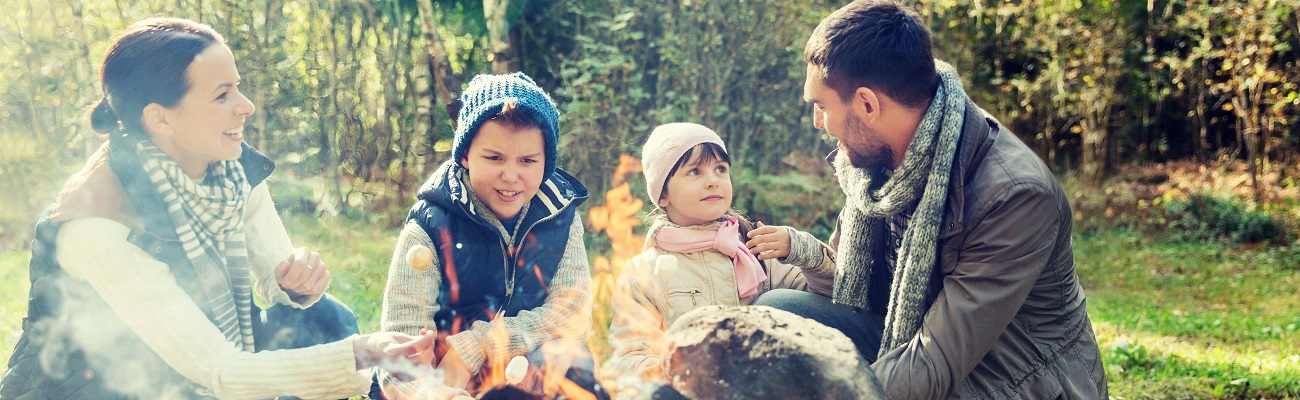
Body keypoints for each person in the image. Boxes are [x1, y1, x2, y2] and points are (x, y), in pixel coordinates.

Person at [0, 17, 435, 400]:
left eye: (239, 87)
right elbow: (219, 371)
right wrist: (365, 356)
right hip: (105, 387)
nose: (245, 107)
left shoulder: (229, 169)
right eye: (222, 95)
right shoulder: (98, 226)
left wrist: (296, 282)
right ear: (161, 119)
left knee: (323, 319)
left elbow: (276, 280)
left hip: (198, 364)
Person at [752, 1, 1108, 398]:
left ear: (868, 104)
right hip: (909, 339)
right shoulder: (878, 165)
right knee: (779, 313)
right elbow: (846, 283)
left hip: (1007, 376)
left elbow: (936, 358)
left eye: (821, 106)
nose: (818, 123)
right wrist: (802, 254)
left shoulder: (1014, 195)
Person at [379, 72, 607, 399]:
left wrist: (477, 346)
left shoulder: (561, 216)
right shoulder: (429, 225)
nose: (511, 176)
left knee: (571, 360)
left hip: (523, 375)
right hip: (446, 383)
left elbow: (572, 316)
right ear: (466, 155)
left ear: (546, 163)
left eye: (528, 160)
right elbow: (400, 354)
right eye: (494, 157)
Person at [601, 122, 836, 381]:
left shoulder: (755, 249)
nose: (713, 181)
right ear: (663, 194)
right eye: (694, 172)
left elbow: (829, 302)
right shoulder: (644, 272)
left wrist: (803, 252)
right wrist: (675, 374)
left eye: (720, 169)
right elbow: (628, 355)